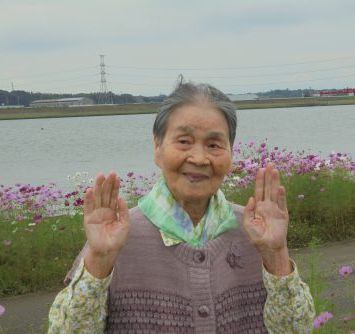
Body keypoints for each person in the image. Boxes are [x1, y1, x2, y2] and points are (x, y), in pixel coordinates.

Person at [48, 80, 315, 333]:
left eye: (214, 144)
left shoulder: (257, 230)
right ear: (157, 147)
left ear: (231, 153)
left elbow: (297, 329)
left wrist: (275, 254)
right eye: (184, 141)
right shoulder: (115, 236)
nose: (199, 158)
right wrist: (99, 261)